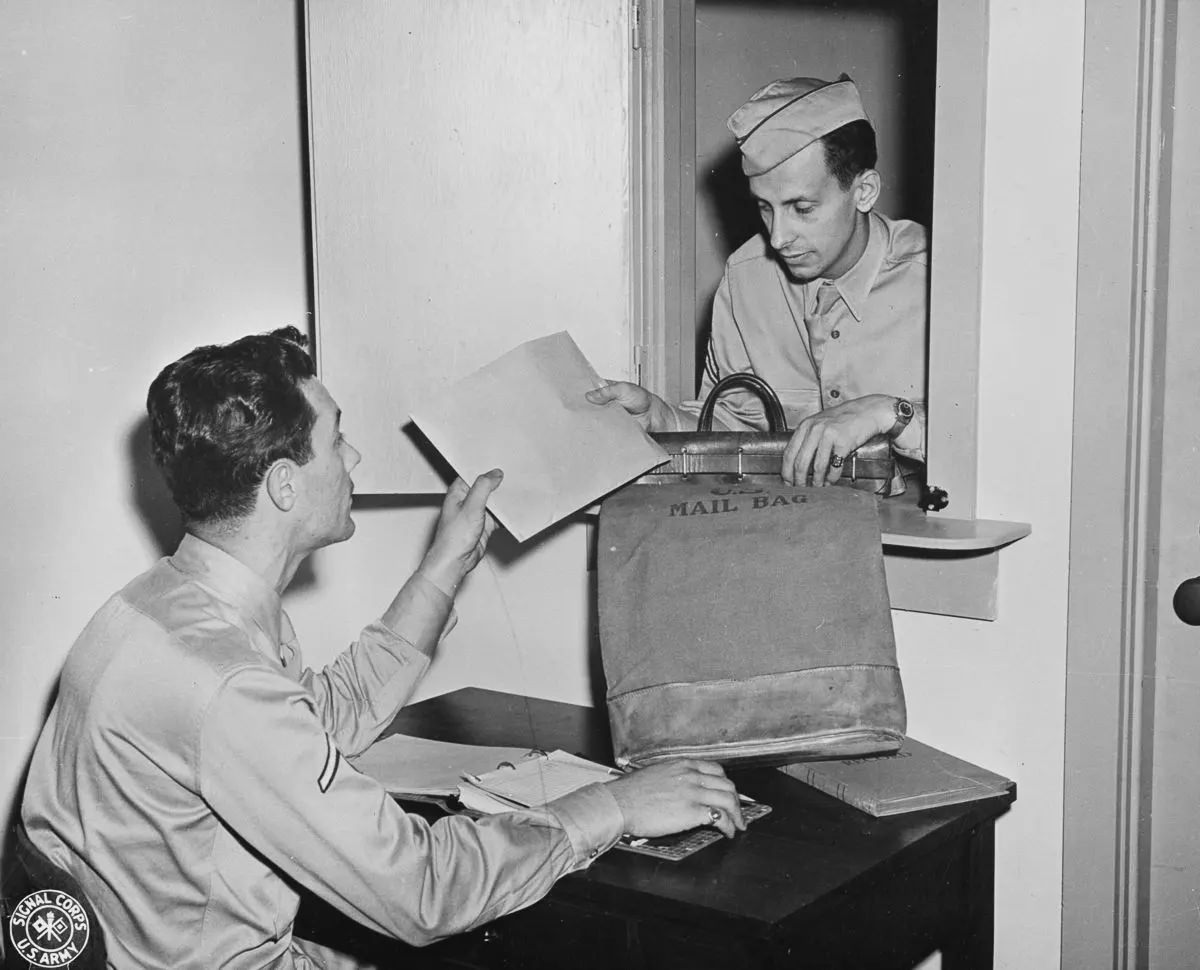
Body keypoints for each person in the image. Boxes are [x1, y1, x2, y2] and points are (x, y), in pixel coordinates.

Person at [19, 327, 745, 970]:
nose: (355, 453)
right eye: (336, 439)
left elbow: (309, 720)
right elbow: (420, 892)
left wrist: (441, 570)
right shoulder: (226, 681)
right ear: (282, 486)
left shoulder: (157, 608)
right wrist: (613, 806)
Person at [588, 74, 927, 494]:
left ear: (864, 191)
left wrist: (888, 413)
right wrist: (663, 420)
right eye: (765, 209)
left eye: (801, 208)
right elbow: (734, 430)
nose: (778, 237)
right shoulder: (745, 278)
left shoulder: (939, 280)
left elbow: (1001, 437)